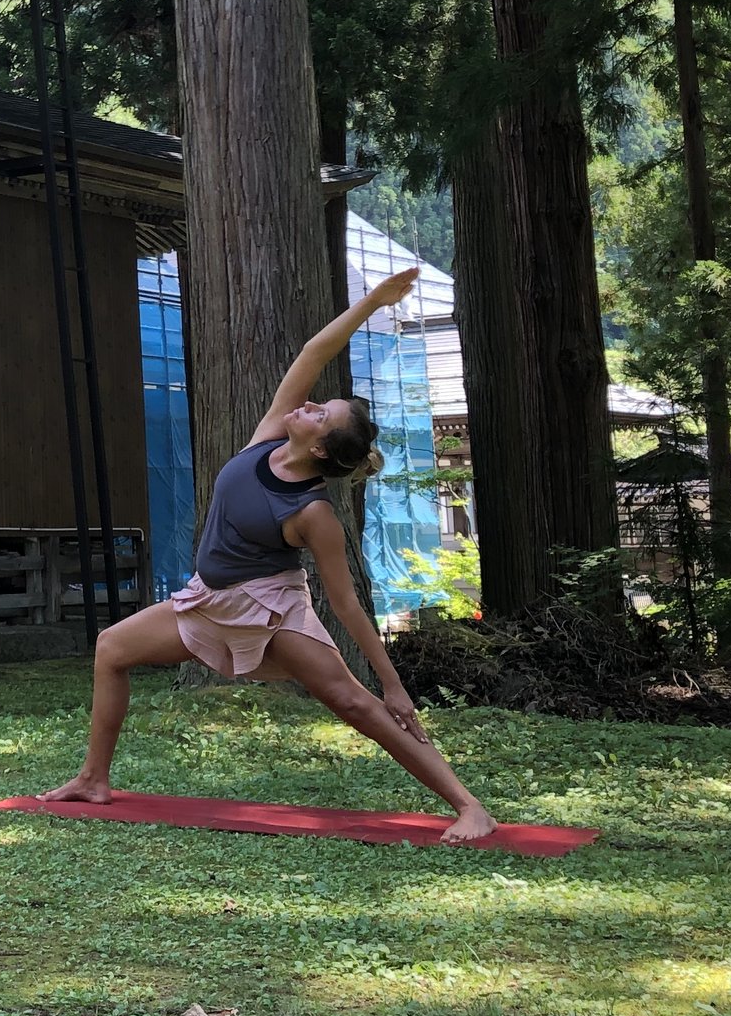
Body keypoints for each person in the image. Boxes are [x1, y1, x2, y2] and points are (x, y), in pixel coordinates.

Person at [42, 265, 497, 844]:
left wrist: (393, 683)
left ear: (322, 445)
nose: (305, 406)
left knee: (350, 702)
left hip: (271, 610)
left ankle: (468, 805)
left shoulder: (314, 514)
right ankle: (93, 778)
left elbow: (347, 604)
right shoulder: (266, 440)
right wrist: (373, 303)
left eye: (318, 414)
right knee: (112, 648)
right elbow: (314, 350)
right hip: (207, 600)